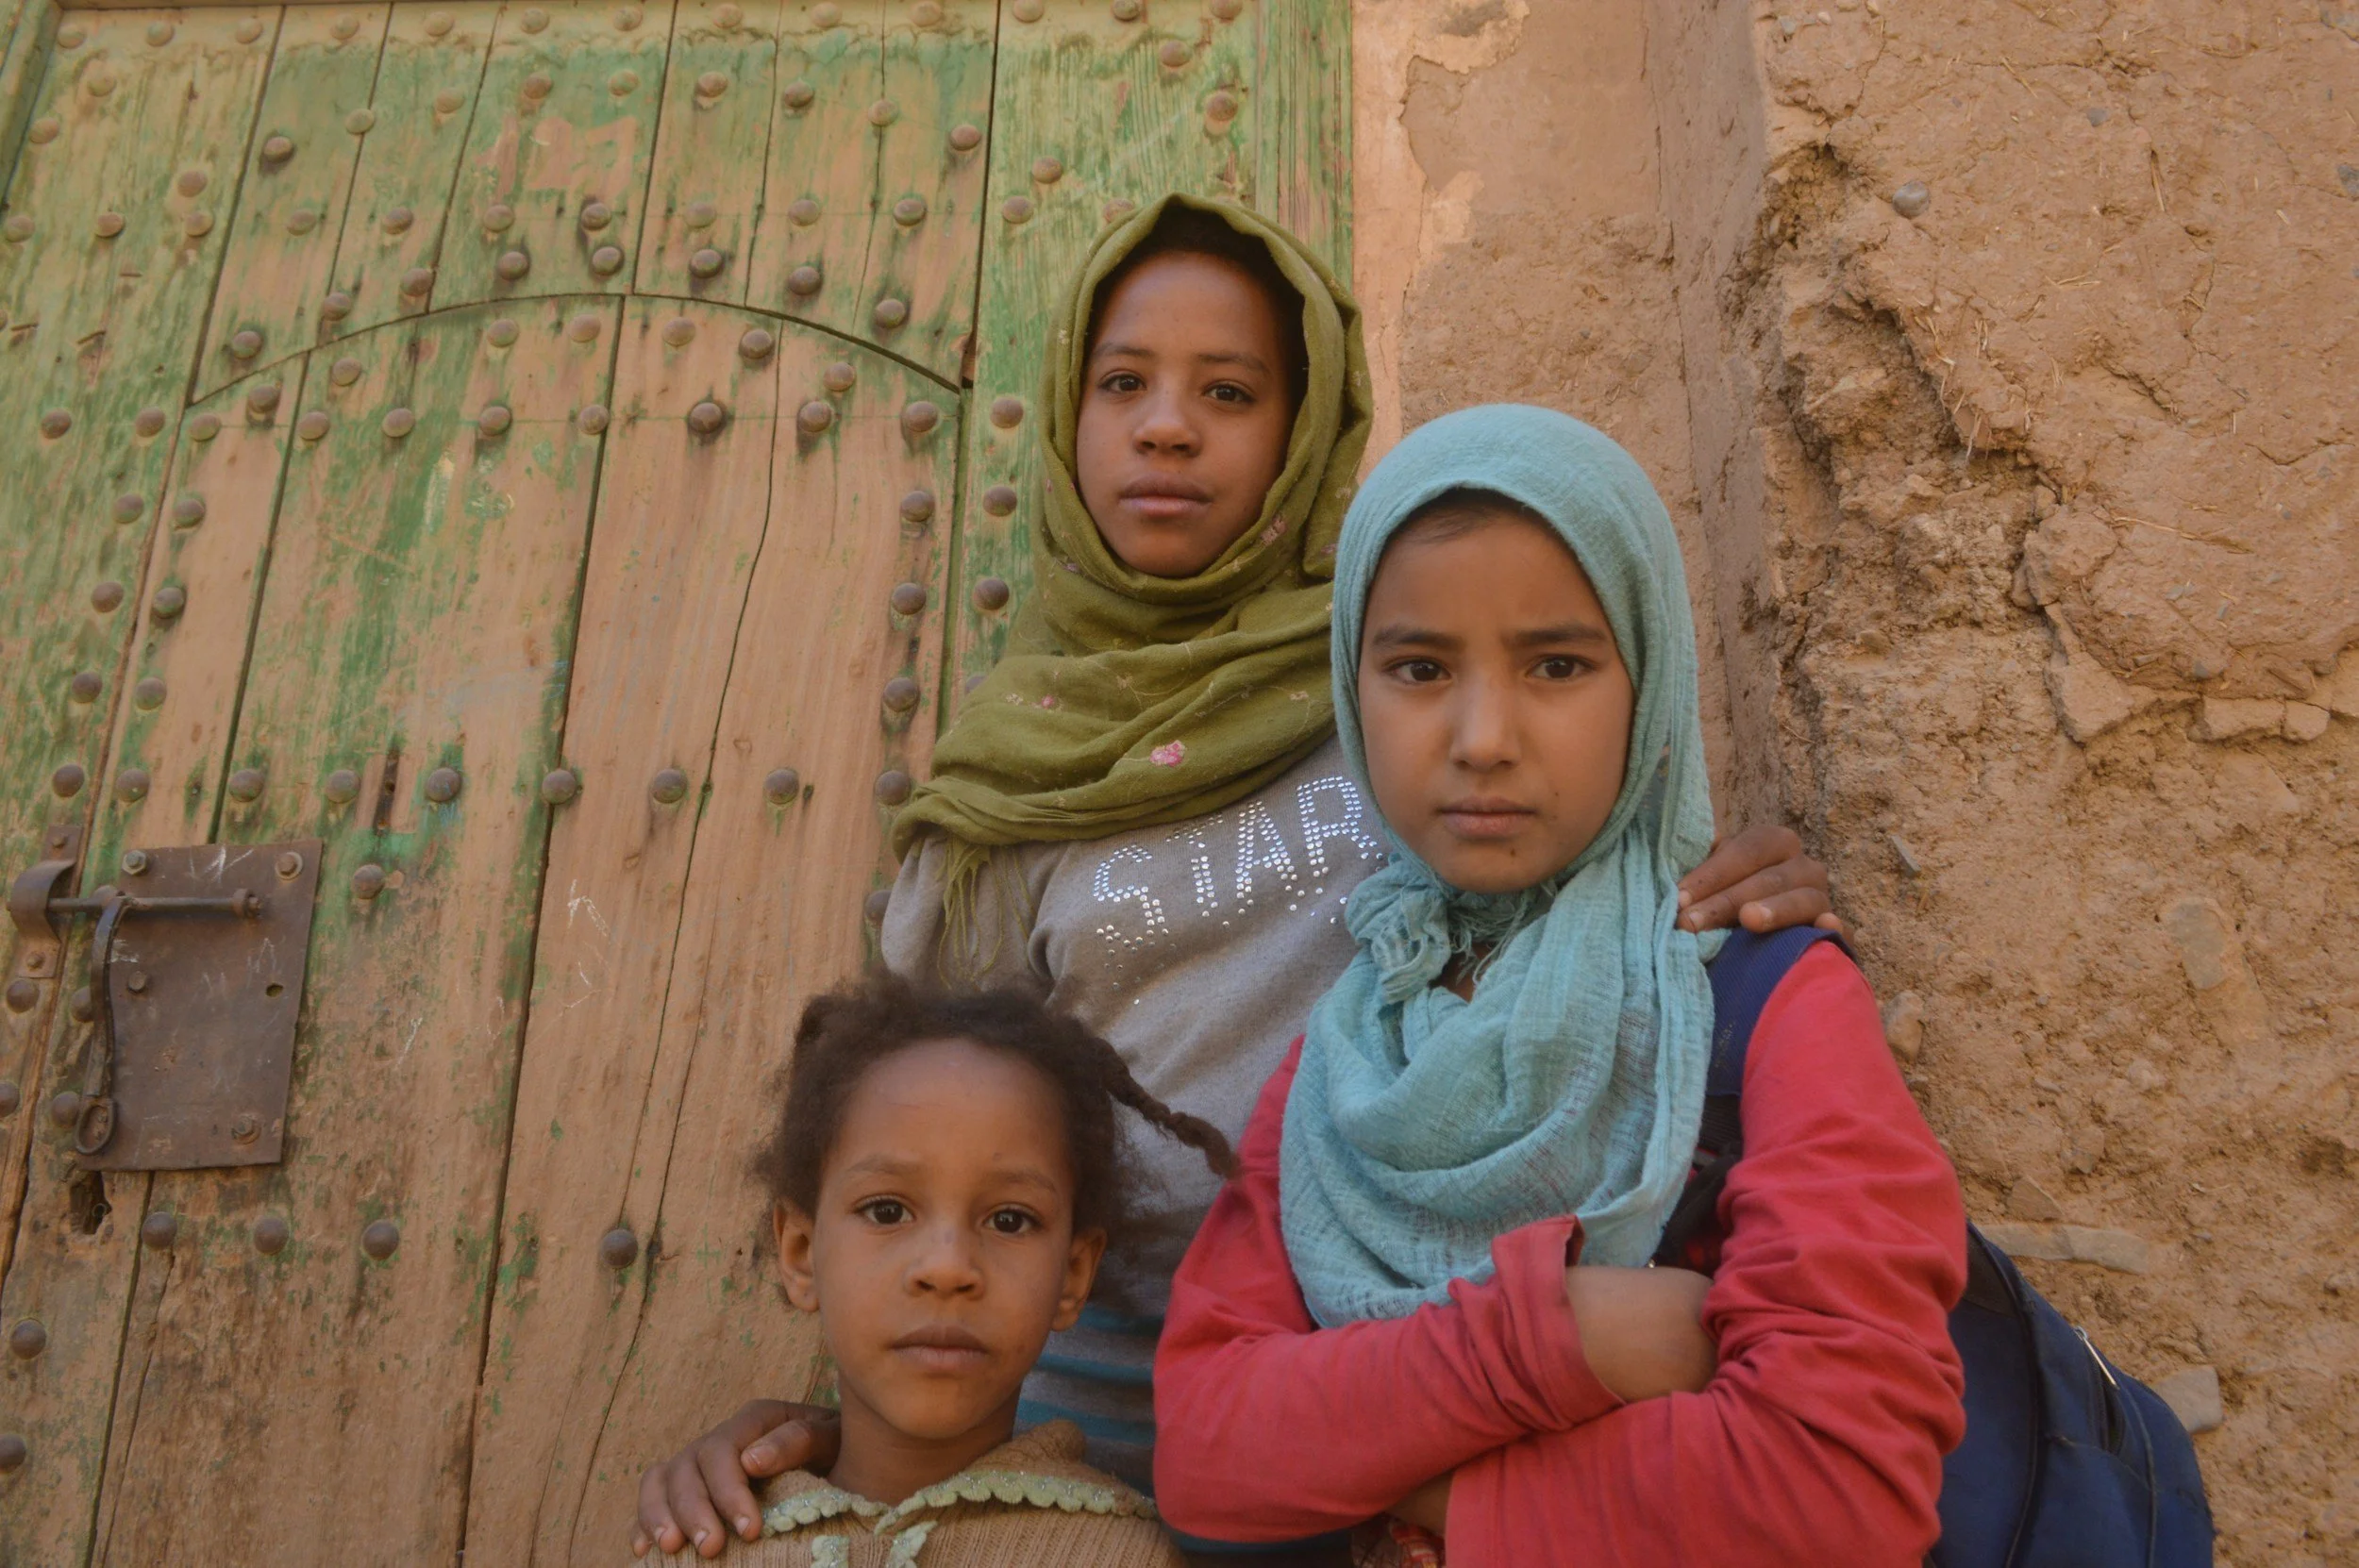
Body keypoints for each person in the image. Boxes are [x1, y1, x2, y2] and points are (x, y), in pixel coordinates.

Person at [633, 199, 1840, 1563]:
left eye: (1230, 391)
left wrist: (1692, 884)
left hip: (1427, 1400)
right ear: (1066, 413)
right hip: (1077, 1458)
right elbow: (913, 1153)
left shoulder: (1407, 692)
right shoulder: (1001, 796)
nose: (1166, 426)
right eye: (1123, 383)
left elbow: (1582, 894)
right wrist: (819, 1426)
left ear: (1304, 432)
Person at [1150, 406, 1968, 1566]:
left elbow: (1839, 1486)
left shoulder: (1764, 1002)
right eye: (1420, 668)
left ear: (1650, 683)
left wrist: (1415, 1489)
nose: (1483, 737)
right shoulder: (1355, 1049)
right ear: (1352, 688)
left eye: (1558, 665)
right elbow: (1205, 1455)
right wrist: (1556, 1339)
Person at [639, 973, 1229, 1567]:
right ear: (800, 1252)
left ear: (1073, 1275)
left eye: (1010, 1220)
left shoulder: (1128, 1559)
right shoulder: (700, 1548)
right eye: (888, 1210)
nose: (947, 1268)